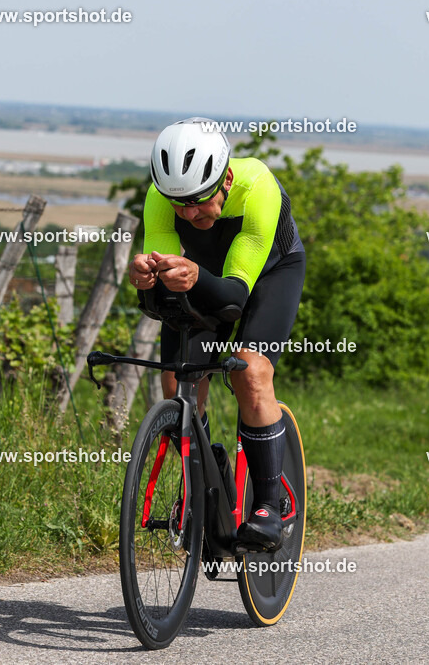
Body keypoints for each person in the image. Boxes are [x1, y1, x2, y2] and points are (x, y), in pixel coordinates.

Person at [129, 117, 305, 550]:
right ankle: (207, 481)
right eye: (178, 203)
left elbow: (232, 299)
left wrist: (191, 275)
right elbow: (164, 308)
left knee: (249, 370)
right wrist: (146, 283)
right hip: (204, 276)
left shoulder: (257, 187)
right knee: (177, 380)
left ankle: (269, 503)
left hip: (264, 275)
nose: (189, 213)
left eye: (199, 201)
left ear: (225, 178)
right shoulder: (158, 198)